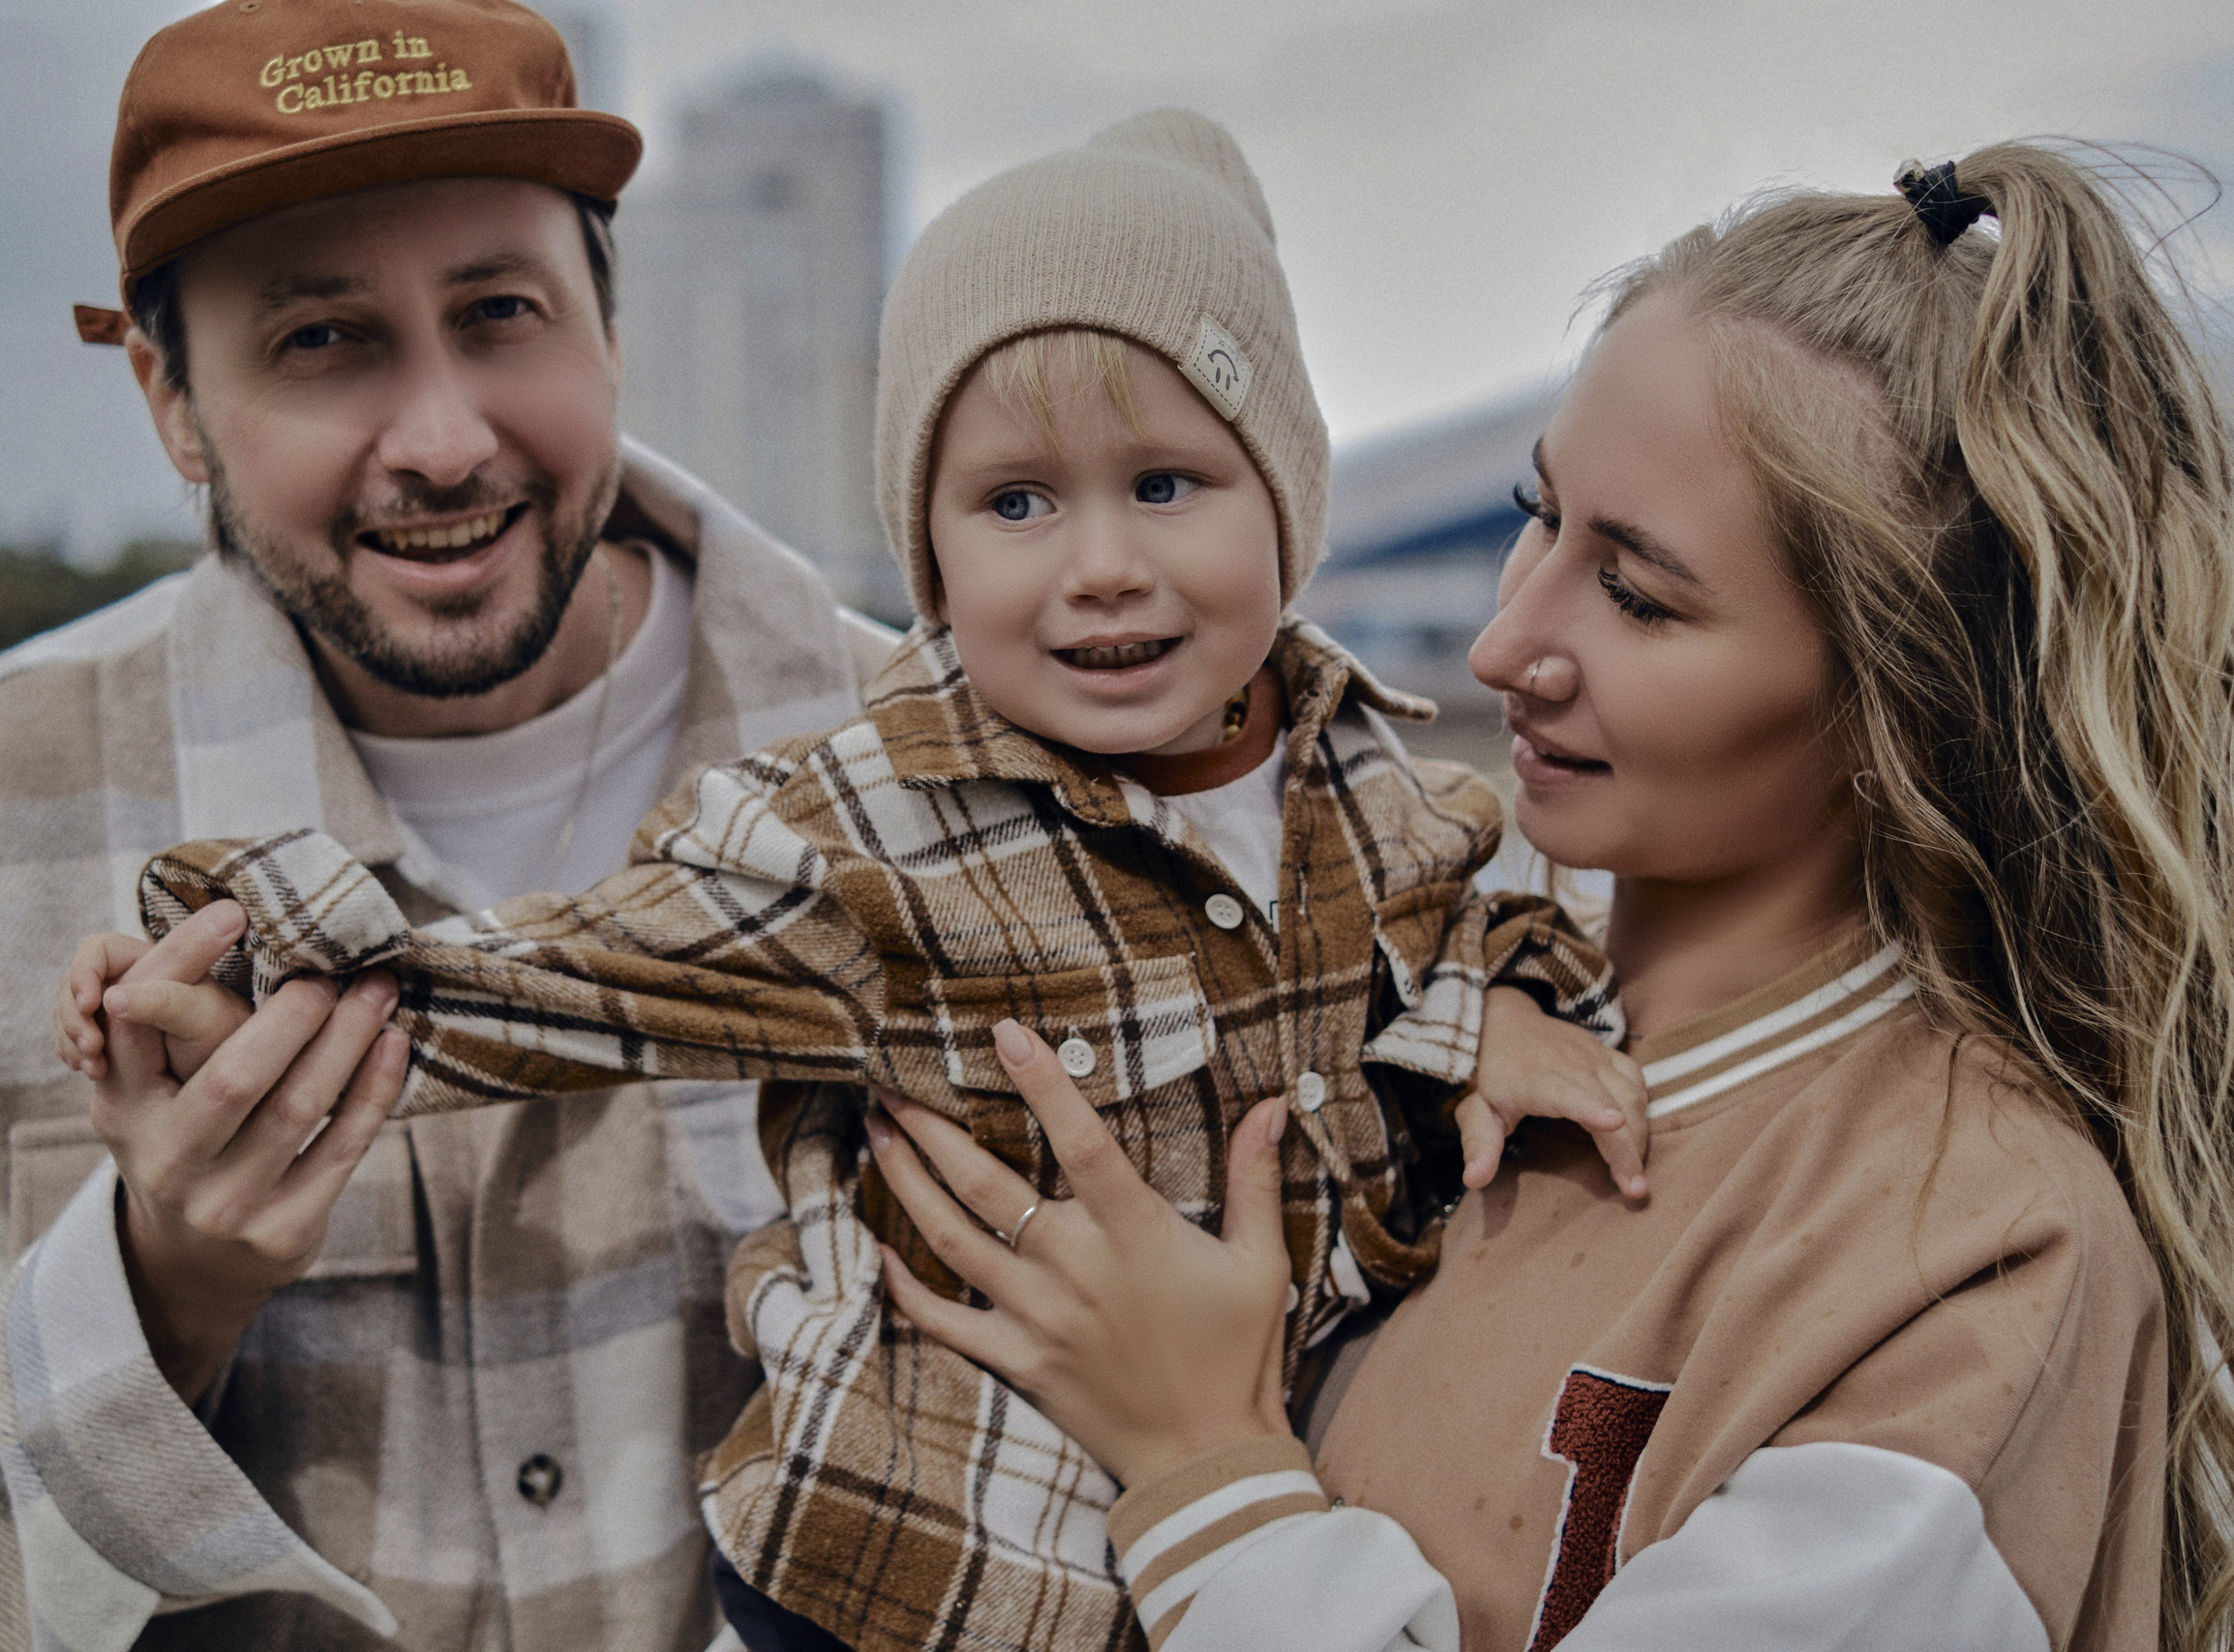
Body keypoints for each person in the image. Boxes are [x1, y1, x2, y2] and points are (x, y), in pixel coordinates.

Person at [63, 110, 1647, 1652]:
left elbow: (1489, 915)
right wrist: (251, 968)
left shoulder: (1374, 783)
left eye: (1167, 485)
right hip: (930, 1569)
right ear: (933, 558)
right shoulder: (867, 836)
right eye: (1016, 503)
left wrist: (1497, 1018)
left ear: (1287, 504)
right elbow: (562, 978)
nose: (1101, 564)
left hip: (1253, 1544)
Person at [863, 143, 2234, 1651]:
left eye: (1637, 594)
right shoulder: (1383, 978)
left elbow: (1208, 1482)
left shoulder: (1980, 1257)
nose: (1504, 643)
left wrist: (1200, 1462)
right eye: (1540, 511)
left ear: (1905, 702)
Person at [0, 2, 904, 1646]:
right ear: (169, 400)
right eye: (320, 340)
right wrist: (159, 1290)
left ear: (608, 321)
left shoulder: (927, 768)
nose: (442, 441)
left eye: (499, 312)